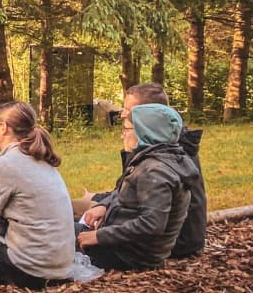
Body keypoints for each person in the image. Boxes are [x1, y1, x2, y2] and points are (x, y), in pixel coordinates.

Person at [77, 83, 208, 258]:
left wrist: (101, 231)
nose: (123, 114)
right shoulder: (168, 144)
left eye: (129, 110)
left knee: (68, 213)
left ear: (148, 117)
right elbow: (131, 191)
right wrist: (104, 203)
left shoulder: (161, 159)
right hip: (153, 237)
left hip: (165, 245)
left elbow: (151, 221)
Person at [0, 101, 74, 288]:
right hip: (61, 267)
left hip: (31, 270)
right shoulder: (40, 159)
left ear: (3, 127)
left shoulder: (5, 164)